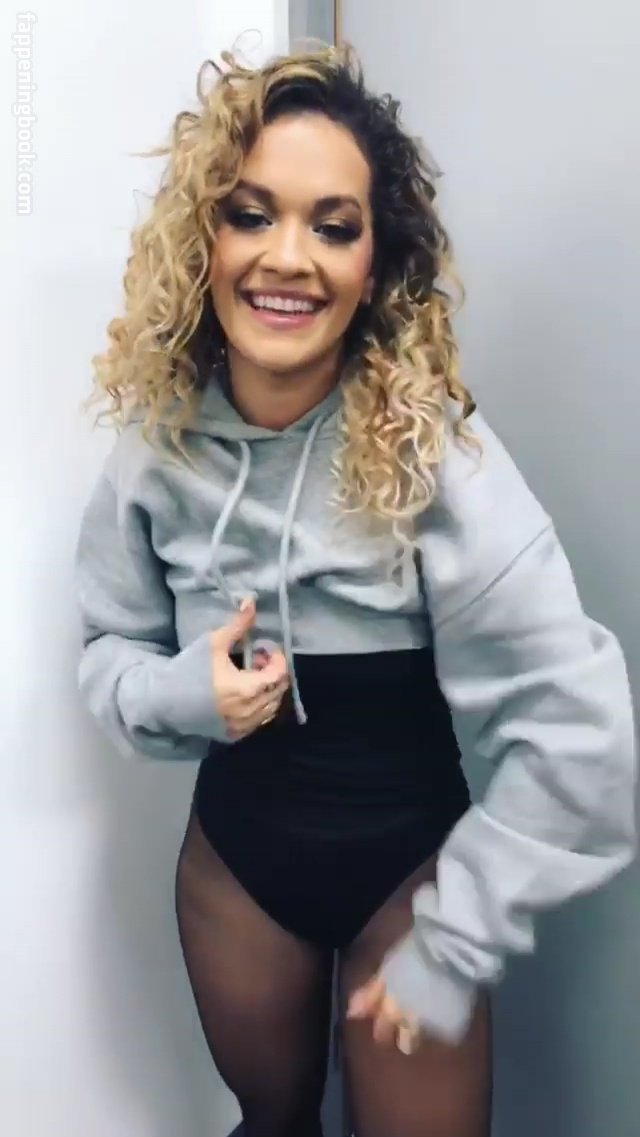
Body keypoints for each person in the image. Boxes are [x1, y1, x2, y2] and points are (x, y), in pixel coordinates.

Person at [74, 43, 636, 1137]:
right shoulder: (154, 451)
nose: (288, 257)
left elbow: (581, 729)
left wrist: (454, 942)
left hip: (411, 884)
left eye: (333, 226)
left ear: (374, 267)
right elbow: (107, 652)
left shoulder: (440, 456)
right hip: (238, 875)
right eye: (251, 214)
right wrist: (187, 695)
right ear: (204, 242)